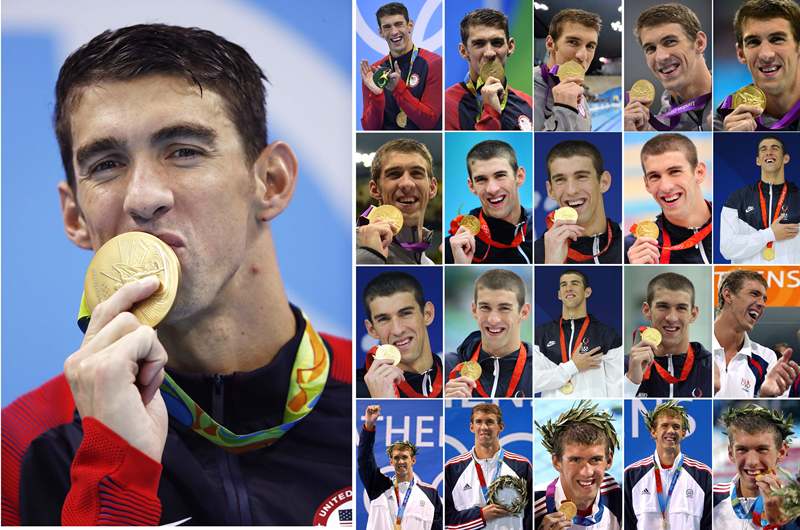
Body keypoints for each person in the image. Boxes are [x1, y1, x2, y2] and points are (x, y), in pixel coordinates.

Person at [0, 24, 351, 525]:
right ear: (75, 216)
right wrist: (115, 467)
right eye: (106, 164)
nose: (143, 197)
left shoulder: (398, 401)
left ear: (271, 182)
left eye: (184, 150)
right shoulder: (18, 450)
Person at [534, 400, 622, 530]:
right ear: (557, 462)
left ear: (608, 461)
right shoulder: (534, 507)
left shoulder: (618, 499)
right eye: (575, 460)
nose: (586, 472)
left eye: (595, 459)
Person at [534, 270, 623, 398]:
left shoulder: (607, 334)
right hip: (554, 412)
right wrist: (572, 366)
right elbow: (535, 381)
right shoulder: (541, 334)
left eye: (575, 283)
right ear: (559, 295)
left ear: (587, 292)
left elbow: (616, 386)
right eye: (564, 285)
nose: (568, 288)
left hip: (591, 413)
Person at [625, 133, 712, 264]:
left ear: (699, 172)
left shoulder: (733, 222)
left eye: (675, 172)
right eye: (654, 176)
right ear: (647, 184)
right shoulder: (634, 248)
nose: (665, 187)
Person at [444, 269, 532, 398]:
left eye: (504, 308)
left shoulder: (540, 368)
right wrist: (448, 407)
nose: (493, 319)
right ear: (474, 310)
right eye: (485, 307)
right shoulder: (448, 366)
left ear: (523, 312)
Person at [624, 401, 712, 530]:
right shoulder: (632, 474)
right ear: (653, 432)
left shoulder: (703, 475)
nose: (671, 431)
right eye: (664, 426)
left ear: (683, 433)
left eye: (676, 427)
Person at [625, 4, 713, 131]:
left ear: (699, 43)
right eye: (651, 49)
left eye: (670, 42)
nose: (660, 57)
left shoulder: (732, 106)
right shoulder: (651, 129)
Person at [444, 403, 532, 530]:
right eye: (478, 422)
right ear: (472, 427)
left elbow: (530, 517)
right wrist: (480, 516)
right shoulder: (453, 468)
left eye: (490, 422)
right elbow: (446, 521)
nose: (484, 427)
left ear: (500, 427)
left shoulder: (521, 465)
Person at [715, 0, 800, 131]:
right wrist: (731, 141)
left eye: (777, 39)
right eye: (754, 42)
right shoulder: (725, 118)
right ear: (741, 53)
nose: (766, 55)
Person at [713, 269, 800, 397]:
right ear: (728, 295)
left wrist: (765, 397)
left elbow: (759, 416)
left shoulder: (766, 358)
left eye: (764, 299)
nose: (762, 304)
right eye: (754, 294)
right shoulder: (695, 348)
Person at [625, 273, 713, 398]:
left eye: (681, 308)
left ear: (693, 314)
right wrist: (630, 382)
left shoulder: (711, 367)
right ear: (646, 310)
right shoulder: (624, 366)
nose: (671, 318)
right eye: (663, 307)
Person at [357, 272, 443, 398]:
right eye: (383, 319)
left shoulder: (455, 379)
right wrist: (383, 404)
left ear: (427, 314)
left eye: (405, 313)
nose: (397, 330)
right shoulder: (353, 391)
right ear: (372, 330)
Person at [535, 140, 622, 264]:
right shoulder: (533, 254)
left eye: (581, 177)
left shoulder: (629, 250)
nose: (571, 190)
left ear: (604, 182)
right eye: (560, 179)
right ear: (550, 190)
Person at [713, 404, 800, 528]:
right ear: (731, 453)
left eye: (762, 449)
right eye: (742, 449)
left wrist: (781, 525)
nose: (752, 461)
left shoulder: (796, 509)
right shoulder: (710, 499)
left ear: (781, 452)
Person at [445, 140, 532, 264]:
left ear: (519, 176)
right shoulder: (455, 248)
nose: (492, 189)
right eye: (481, 179)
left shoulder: (544, 233)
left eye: (500, 175)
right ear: (471, 186)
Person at [445, 8, 532, 131]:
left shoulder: (529, 103)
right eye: (479, 44)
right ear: (464, 51)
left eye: (497, 42)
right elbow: (482, 148)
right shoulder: (446, 105)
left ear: (510, 47)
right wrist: (491, 111)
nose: (489, 53)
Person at [360, 2, 442, 130]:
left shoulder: (433, 63)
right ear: (381, 32)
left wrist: (399, 89)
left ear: (410, 26)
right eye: (387, 27)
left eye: (399, 24)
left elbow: (429, 122)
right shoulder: (374, 72)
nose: (394, 32)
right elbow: (370, 129)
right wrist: (376, 96)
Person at [359, 405, 442, 530]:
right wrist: (369, 425)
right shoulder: (378, 486)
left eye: (404, 457)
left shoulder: (430, 494)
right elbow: (364, 459)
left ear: (413, 460)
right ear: (391, 462)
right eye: (396, 458)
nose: (400, 461)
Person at [357, 138, 439, 264]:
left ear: (432, 188)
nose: (407, 184)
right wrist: (367, 259)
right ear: (375, 189)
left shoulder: (429, 263)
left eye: (416, 173)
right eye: (394, 174)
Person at [720, 135, 800, 263]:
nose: (769, 152)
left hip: (787, 279)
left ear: (786, 158)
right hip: (749, 279)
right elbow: (727, 249)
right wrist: (769, 234)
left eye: (775, 148)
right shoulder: (737, 199)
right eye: (763, 149)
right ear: (758, 160)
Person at [534, 9, 601, 132]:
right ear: (550, 44)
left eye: (590, 46)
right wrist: (565, 110)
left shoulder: (581, 97)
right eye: (573, 42)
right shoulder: (528, 90)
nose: (582, 55)